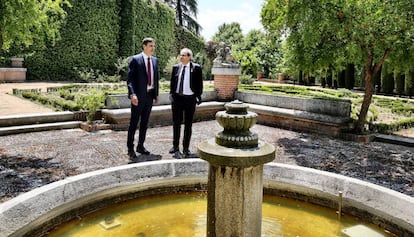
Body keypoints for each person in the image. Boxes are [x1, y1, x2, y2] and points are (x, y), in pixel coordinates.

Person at [126, 37, 159, 159]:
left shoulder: (155, 61)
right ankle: (130, 148)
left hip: (149, 96)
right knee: (133, 123)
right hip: (138, 97)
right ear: (144, 46)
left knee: (144, 123)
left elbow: (156, 78)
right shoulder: (135, 60)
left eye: (154, 46)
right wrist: (132, 94)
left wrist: (156, 94)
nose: (153, 48)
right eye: (151, 46)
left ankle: (140, 146)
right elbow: (130, 80)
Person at [169, 48, 203, 158]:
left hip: (190, 100)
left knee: (188, 125)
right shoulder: (176, 67)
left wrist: (197, 96)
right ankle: (175, 147)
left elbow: (199, 84)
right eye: (180, 55)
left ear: (189, 57)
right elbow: (172, 83)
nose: (181, 57)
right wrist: (172, 95)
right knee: (176, 124)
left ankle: (186, 148)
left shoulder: (196, 68)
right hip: (177, 99)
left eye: (183, 55)